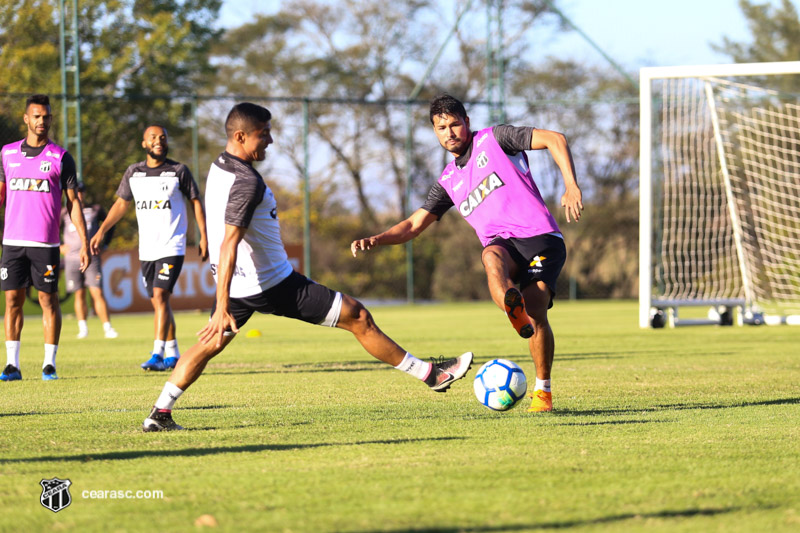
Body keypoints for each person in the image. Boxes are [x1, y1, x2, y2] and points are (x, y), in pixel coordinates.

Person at [141, 102, 473, 432]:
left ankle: (160, 413)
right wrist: (221, 305)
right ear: (241, 136)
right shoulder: (246, 182)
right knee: (357, 316)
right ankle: (431, 375)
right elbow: (228, 242)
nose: (269, 141)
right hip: (272, 284)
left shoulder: (219, 166)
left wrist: (224, 302)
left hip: (243, 285)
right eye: (264, 134)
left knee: (208, 345)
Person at [351, 93, 583, 413]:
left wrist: (570, 185)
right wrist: (377, 239)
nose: (449, 132)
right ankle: (511, 307)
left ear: (467, 123)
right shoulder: (448, 180)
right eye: (441, 127)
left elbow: (555, 139)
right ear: (434, 131)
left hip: (541, 239)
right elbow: (414, 225)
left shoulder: (496, 139)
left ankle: (542, 389)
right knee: (490, 257)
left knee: (538, 309)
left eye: (455, 124)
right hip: (502, 245)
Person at [90, 125, 208, 371]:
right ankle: (174, 354)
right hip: (147, 249)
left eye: (163, 137)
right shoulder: (134, 172)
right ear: (144, 143)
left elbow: (196, 201)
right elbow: (121, 204)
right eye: (153, 137)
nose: (158, 141)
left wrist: (203, 236)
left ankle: (157, 353)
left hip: (172, 246)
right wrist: (101, 231)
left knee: (161, 295)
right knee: (158, 300)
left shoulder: (178, 171)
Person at [0, 94, 90, 382]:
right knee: (13, 300)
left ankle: (49, 364)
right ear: (26, 118)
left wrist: (85, 242)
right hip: (13, 242)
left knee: (48, 300)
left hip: (46, 244)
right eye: (36, 116)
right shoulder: (6, 154)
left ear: (51, 119)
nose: (42, 121)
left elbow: (73, 203)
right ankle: (12, 365)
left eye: (46, 116)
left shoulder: (61, 157)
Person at [61, 183, 118, 339]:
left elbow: (110, 225)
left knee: (97, 292)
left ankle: (107, 327)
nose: (78, 195)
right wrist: (59, 246)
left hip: (92, 258)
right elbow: (52, 228)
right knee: (79, 294)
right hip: (72, 259)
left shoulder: (95, 210)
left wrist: (105, 243)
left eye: (81, 192)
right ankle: (83, 328)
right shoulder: (64, 212)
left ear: (84, 194)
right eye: (75, 192)